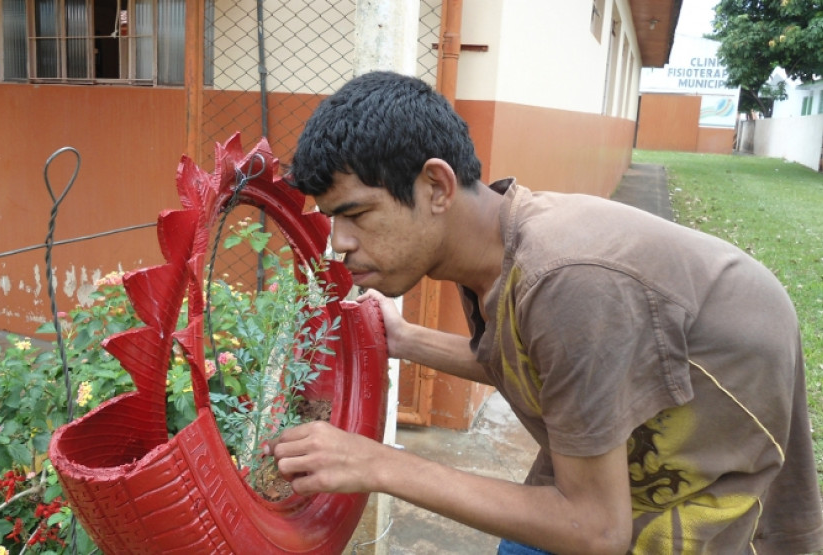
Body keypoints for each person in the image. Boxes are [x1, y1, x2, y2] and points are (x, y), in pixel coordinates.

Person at [264, 71, 823, 554]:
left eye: (356, 214)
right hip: (620, 448)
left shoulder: (565, 281)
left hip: (697, 452)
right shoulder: (493, 246)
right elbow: (549, 364)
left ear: (437, 185)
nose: (339, 242)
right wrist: (406, 338)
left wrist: (379, 464)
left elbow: (596, 529)